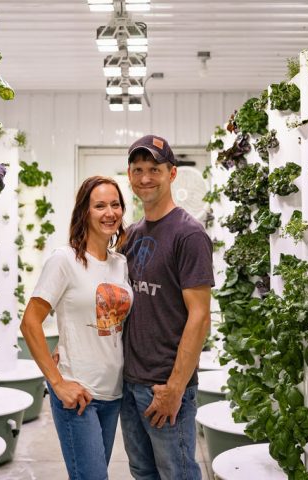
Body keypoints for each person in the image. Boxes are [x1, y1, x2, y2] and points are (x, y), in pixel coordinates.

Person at [21, 176, 133, 480]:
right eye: (99, 205)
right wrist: (57, 383)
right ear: (84, 212)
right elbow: (30, 322)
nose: (109, 212)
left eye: (115, 204)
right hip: (78, 392)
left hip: (113, 393)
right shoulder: (64, 260)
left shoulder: (121, 263)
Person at [120, 135, 214, 480]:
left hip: (164, 384)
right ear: (129, 176)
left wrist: (175, 388)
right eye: (138, 169)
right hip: (130, 382)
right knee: (142, 472)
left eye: (154, 169)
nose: (145, 177)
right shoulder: (131, 234)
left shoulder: (189, 234)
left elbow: (200, 317)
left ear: (172, 174)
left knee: (179, 474)